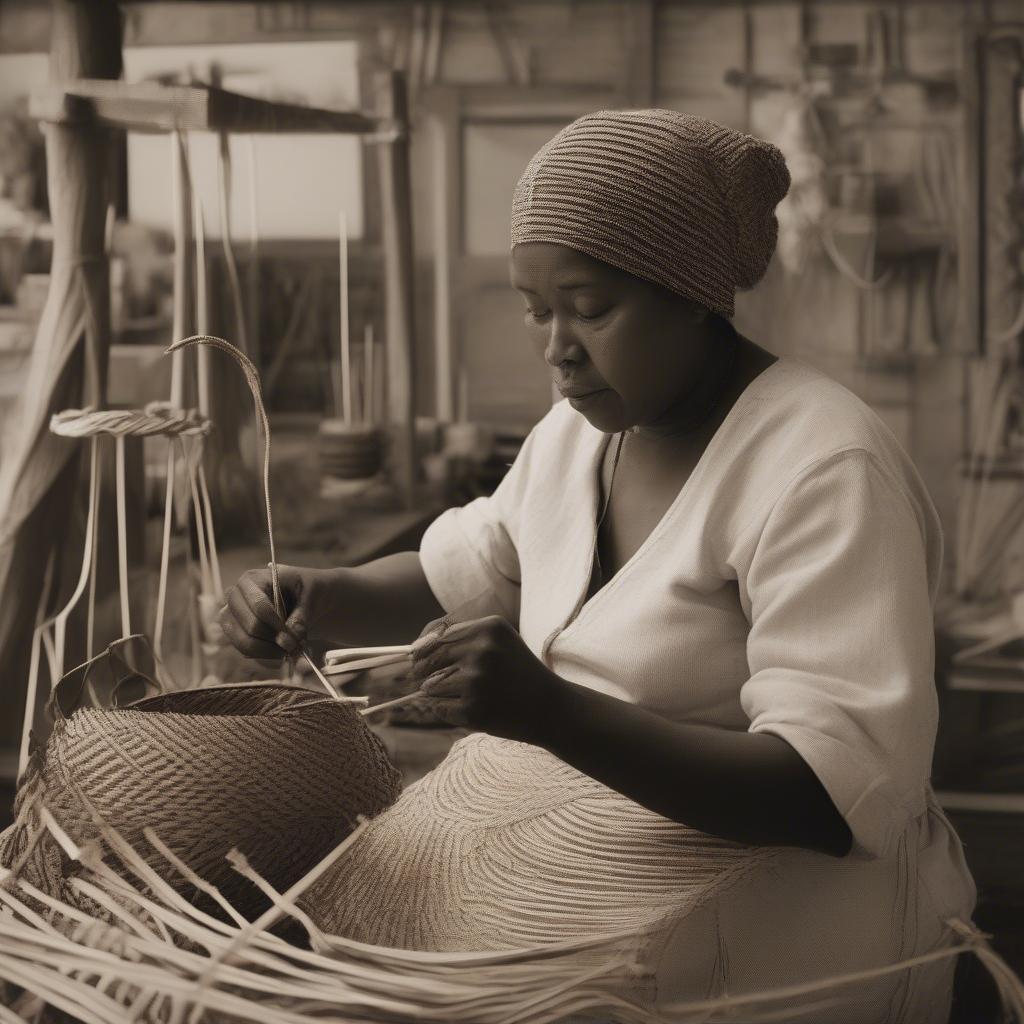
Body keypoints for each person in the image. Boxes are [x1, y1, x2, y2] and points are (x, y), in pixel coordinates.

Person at [219, 110, 976, 1022]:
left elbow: (831, 794)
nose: (556, 348)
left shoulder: (821, 466)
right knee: (314, 945)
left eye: (590, 309)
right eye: (538, 311)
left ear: (693, 291)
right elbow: (457, 569)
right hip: (586, 856)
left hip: (770, 920)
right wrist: (323, 594)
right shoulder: (577, 435)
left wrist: (552, 714)